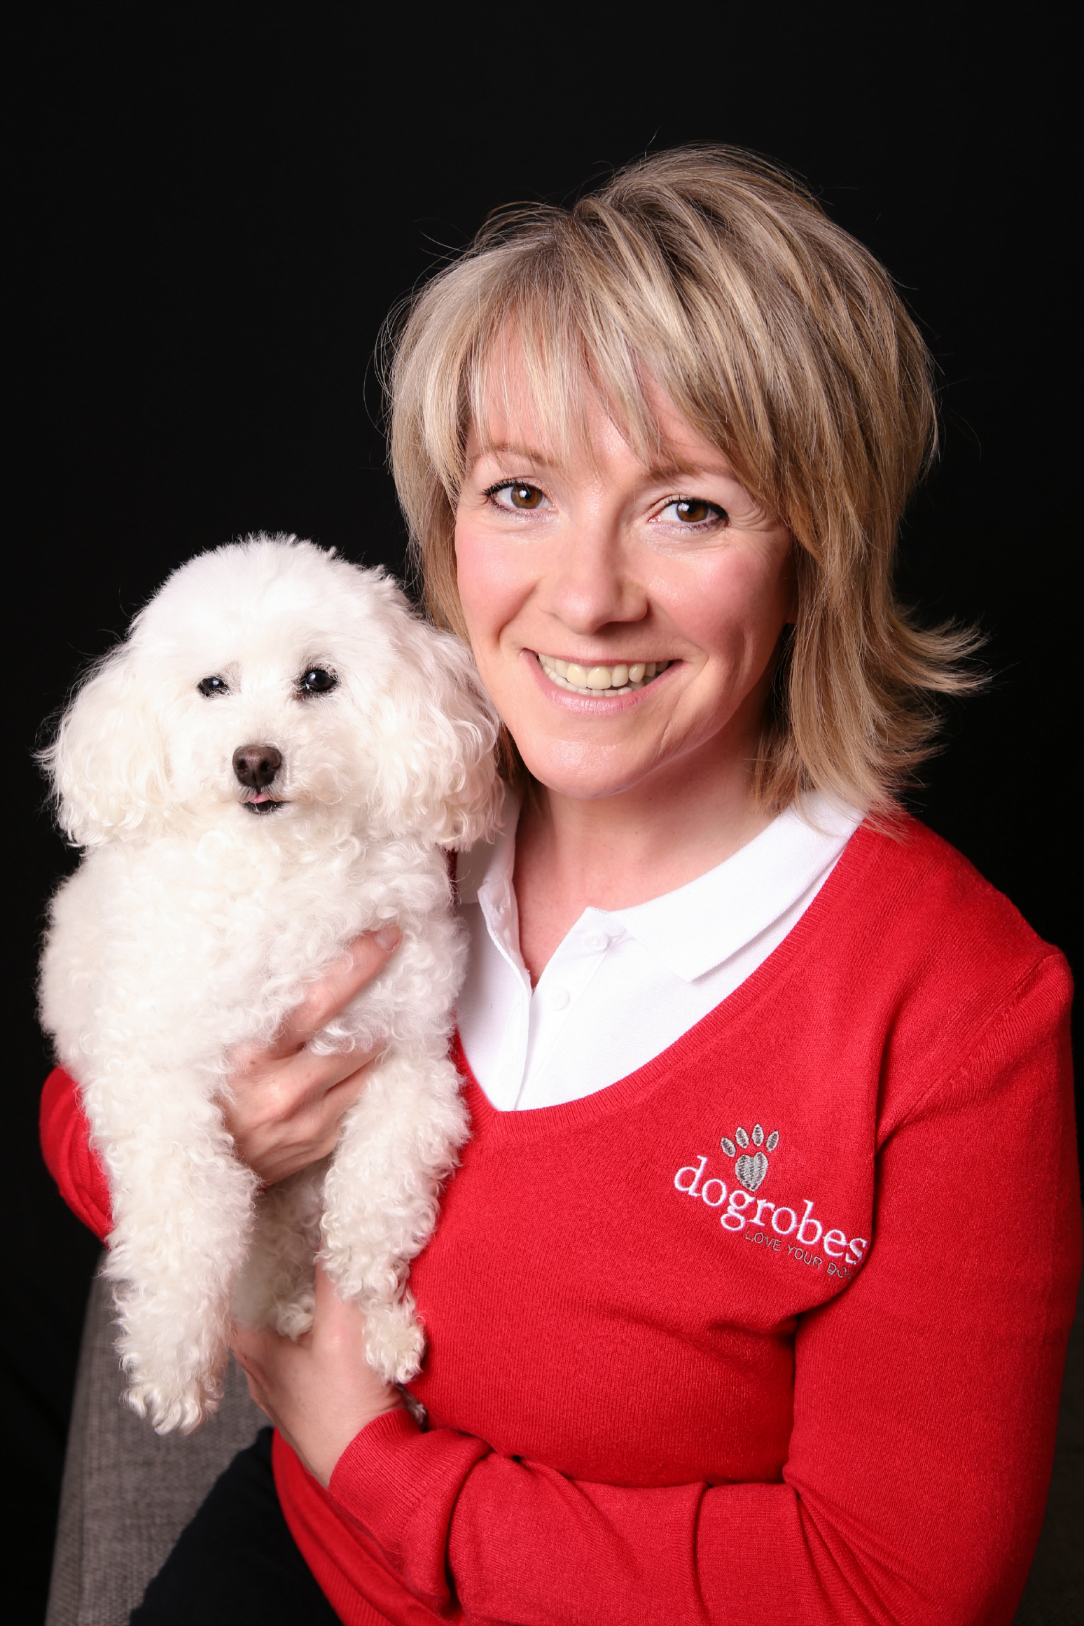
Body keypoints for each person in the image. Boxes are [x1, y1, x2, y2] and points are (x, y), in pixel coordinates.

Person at [42, 147, 1079, 1626]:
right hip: (304, 1571)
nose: (586, 596)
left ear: (818, 554)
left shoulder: (958, 1005)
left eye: (691, 508)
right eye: (521, 490)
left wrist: (377, 1468)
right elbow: (89, 1088)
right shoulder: (387, 804)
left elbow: (890, 1588)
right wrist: (210, 1133)